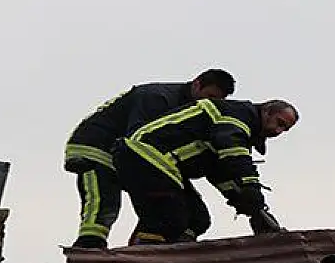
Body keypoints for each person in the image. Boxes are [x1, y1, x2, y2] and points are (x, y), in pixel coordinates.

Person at [64, 69, 236, 249]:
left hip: (135, 155)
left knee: (194, 215)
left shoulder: (189, 110)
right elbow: (138, 139)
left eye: (215, 100)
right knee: (103, 202)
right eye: (208, 96)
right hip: (97, 147)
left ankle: (154, 246)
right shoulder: (157, 97)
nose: (208, 103)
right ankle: (89, 248)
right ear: (196, 84)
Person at [114, 97, 299, 245]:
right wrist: (251, 186)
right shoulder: (238, 116)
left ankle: (174, 253)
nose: (278, 131)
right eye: (279, 123)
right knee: (169, 216)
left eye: (285, 129)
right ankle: (143, 258)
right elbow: (232, 150)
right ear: (266, 111)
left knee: (198, 219)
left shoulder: (234, 130)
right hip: (143, 154)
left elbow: (220, 171)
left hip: (162, 164)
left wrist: (249, 204)